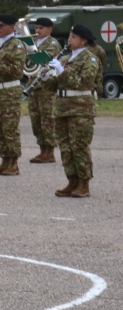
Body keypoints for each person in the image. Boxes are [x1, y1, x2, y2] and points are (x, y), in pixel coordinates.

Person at [46, 24, 100, 198]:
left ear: (83, 41)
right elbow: (54, 86)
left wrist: (62, 71)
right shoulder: (64, 59)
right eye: (69, 36)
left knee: (79, 147)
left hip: (80, 109)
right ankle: (72, 181)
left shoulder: (90, 59)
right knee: (66, 147)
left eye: (73, 37)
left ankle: (84, 183)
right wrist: (47, 77)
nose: (69, 40)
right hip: (62, 108)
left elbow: (83, 83)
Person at [0, 14, 28, 176]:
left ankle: (13, 163)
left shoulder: (17, 45)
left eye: (1, 26)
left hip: (9, 92)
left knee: (10, 128)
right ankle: (4, 160)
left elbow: (17, 71)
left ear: (12, 27)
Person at [27, 17, 61, 163]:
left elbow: (44, 59)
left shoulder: (53, 43)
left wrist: (30, 50)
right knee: (36, 121)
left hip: (47, 87)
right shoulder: (32, 43)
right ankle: (42, 150)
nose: (38, 30)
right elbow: (26, 62)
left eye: (41, 28)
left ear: (49, 29)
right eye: (36, 27)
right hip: (33, 86)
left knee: (47, 120)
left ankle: (50, 152)